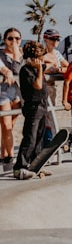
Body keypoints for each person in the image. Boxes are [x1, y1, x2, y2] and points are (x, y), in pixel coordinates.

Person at [12, 41, 49, 179]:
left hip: (42, 106)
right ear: (32, 58)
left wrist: (44, 68)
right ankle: (20, 167)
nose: (42, 61)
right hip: (32, 107)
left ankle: (35, 165)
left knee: (39, 138)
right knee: (30, 138)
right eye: (39, 58)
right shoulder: (26, 70)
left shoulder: (40, 68)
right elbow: (38, 86)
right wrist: (39, 69)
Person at [1, 27, 24, 167]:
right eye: (10, 38)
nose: (14, 41)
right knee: (6, 124)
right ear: (5, 40)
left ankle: (3, 153)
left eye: (17, 38)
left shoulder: (23, 54)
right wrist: (6, 71)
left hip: (17, 93)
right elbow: (10, 70)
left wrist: (16, 51)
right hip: (2, 92)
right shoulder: (0, 54)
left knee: (9, 127)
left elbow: (18, 70)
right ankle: (9, 156)